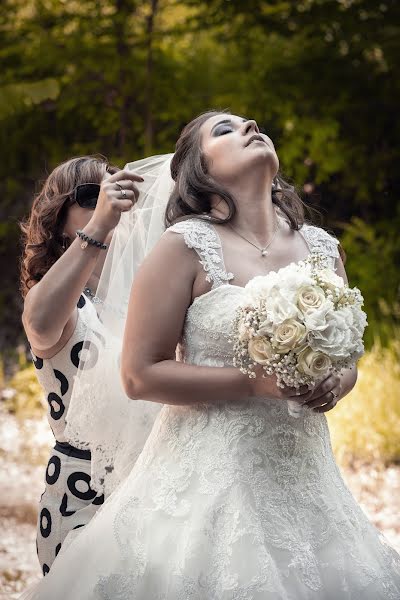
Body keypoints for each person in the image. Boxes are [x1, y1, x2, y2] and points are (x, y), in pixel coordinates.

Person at [20, 112, 400, 599]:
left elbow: (348, 359)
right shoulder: (183, 247)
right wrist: (253, 383)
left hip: (306, 473)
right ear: (200, 169)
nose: (250, 125)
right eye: (224, 130)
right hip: (205, 482)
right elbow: (138, 375)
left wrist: (336, 382)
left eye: (249, 122)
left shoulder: (323, 250)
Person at [20, 155, 144, 573]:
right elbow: (39, 325)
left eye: (119, 194)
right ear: (58, 220)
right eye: (93, 196)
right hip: (82, 496)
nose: (112, 204)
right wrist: (100, 226)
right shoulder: (63, 302)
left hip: (152, 485)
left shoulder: (147, 299)